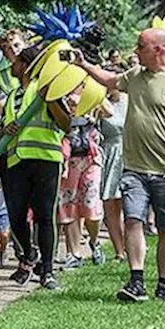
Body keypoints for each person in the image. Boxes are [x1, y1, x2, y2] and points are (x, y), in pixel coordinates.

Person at [77, 28, 165, 302]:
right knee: (132, 220)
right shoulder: (134, 76)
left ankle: (164, 282)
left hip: (164, 169)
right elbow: (109, 79)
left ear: (159, 50)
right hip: (134, 168)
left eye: (141, 46)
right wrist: (84, 64)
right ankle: (136, 280)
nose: (135, 50)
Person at [0, 46, 71, 291]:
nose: (12, 65)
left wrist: (51, 99)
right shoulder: (12, 95)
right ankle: (28, 255)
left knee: (44, 215)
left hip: (45, 160)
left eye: (17, 61)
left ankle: (47, 271)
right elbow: (4, 127)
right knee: (15, 215)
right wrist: (4, 130)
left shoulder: (47, 89)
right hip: (15, 162)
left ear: (27, 65)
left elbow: (66, 123)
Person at [58, 113, 104, 267]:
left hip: (91, 158)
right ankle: (74, 254)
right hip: (68, 158)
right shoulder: (60, 96)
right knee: (68, 206)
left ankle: (94, 241)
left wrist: (91, 113)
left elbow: (108, 110)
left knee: (90, 205)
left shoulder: (92, 93)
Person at [98, 77, 128, 263]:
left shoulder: (131, 101)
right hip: (108, 154)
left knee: (129, 203)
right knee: (110, 205)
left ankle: (132, 244)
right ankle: (119, 250)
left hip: (128, 152)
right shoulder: (99, 103)